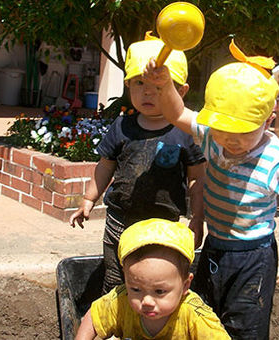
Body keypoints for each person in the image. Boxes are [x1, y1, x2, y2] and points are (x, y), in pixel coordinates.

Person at [142, 39, 279, 339]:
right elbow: (176, 113)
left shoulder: (276, 158)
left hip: (253, 256)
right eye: (222, 128)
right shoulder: (212, 139)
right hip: (216, 246)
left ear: (268, 121)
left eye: (241, 132)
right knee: (206, 318)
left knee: (246, 326)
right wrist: (163, 83)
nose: (230, 140)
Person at [69, 32, 206, 294]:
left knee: (155, 283)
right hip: (120, 220)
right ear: (128, 85)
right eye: (140, 83)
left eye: (159, 87)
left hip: (163, 226)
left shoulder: (185, 133)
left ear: (181, 91)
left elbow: (196, 179)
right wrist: (88, 200)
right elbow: (105, 166)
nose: (148, 92)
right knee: (114, 280)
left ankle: (150, 326)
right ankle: (115, 326)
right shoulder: (123, 126)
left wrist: (198, 218)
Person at [75, 218, 231, 339]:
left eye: (159, 291)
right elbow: (94, 317)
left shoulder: (194, 315)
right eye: (136, 289)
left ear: (185, 286)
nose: (147, 301)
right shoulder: (120, 301)